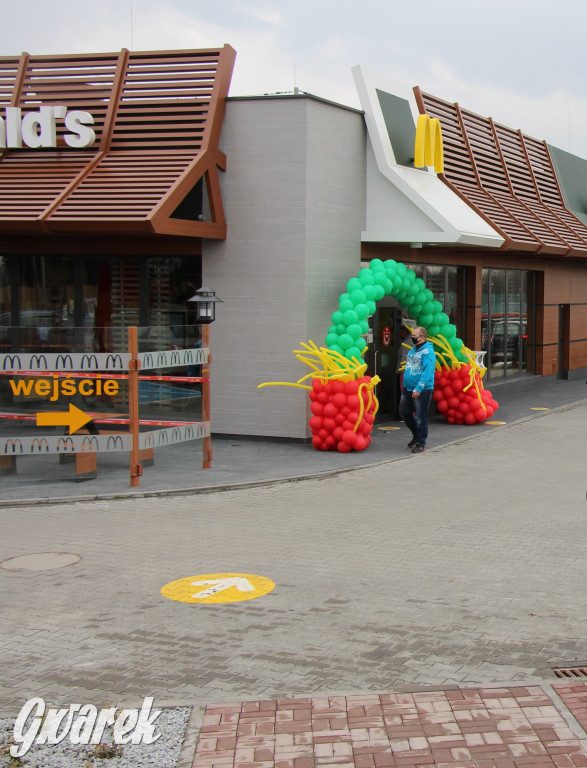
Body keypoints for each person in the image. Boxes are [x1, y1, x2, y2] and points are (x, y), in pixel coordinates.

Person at [399, 326, 436, 453]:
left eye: (415, 336)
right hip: (408, 388)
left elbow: (428, 371)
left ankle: (421, 442)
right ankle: (416, 434)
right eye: (412, 336)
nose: (413, 338)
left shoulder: (428, 352)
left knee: (421, 416)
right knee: (404, 412)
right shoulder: (413, 350)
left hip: (422, 390)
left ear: (422, 337)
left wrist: (419, 387)